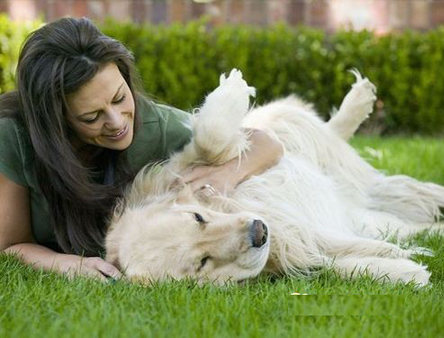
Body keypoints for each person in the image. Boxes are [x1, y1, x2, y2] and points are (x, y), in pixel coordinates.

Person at [0, 17, 282, 280]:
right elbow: (10, 244)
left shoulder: (152, 125)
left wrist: (228, 174)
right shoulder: (13, 137)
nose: (117, 121)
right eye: (91, 117)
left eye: (120, 97)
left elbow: (267, 144)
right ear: (56, 123)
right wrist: (67, 263)